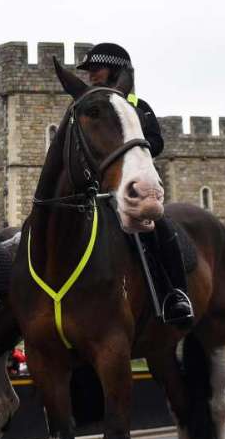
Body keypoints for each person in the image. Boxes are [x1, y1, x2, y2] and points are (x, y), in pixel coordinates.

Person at [77, 43, 193, 329]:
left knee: (160, 228)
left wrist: (130, 150)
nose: (91, 75)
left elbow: (157, 142)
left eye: (97, 69)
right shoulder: (87, 107)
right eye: (89, 70)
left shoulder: (138, 107)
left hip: (130, 186)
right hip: (94, 189)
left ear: (115, 71)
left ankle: (175, 293)